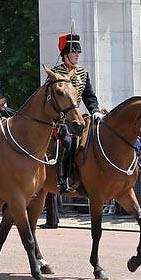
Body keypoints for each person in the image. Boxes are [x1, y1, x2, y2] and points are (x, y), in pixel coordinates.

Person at [52, 31, 102, 192]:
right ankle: (63, 179)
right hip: (60, 119)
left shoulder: (83, 73)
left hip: (78, 117)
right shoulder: (56, 73)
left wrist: (95, 110)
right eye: (74, 51)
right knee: (68, 142)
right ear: (65, 54)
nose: (77, 55)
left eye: (78, 51)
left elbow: (89, 96)